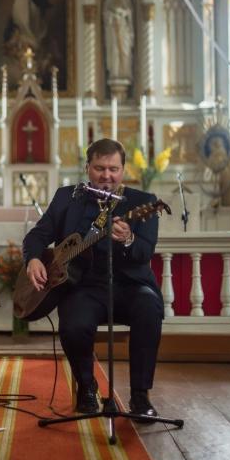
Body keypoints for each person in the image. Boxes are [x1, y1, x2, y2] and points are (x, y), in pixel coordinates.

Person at [22, 138, 163, 419]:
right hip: (83, 287)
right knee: (73, 323)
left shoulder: (143, 203)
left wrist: (129, 238)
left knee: (149, 308)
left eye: (113, 169)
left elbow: (144, 252)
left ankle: (139, 396)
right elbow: (37, 235)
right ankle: (87, 387)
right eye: (99, 168)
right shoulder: (67, 197)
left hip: (130, 286)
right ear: (88, 167)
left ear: (123, 169)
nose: (106, 176)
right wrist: (34, 258)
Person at [103, 0, 134, 81]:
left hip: (124, 29)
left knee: (125, 52)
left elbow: (130, 14)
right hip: (113, 29)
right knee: (114, 50)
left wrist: (123, 12)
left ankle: (125, 74)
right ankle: (114, 73)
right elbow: (105, 14)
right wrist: (112, 15)